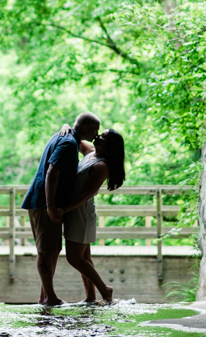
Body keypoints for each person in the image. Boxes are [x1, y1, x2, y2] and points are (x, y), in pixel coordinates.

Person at [20, 112, 101, 306]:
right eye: (96, 130)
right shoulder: (67, 144)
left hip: (50, 203)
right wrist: (50, 207)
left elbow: (91, 150)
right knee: (45, 251)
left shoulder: (68, 137)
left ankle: (45, 296)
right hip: (44, 203)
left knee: (52, 250)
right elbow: (51, 173)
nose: (97, 135)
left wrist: (66, 125)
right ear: (87, 128)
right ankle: (49, 297)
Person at [57, 125, 125, 304]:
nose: (97, 136)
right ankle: (90, 297)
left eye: (102, 136)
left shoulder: (102, 166)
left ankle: (105, 289)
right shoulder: (90, 153)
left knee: (74, 258)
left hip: (82, 214)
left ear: (109, 144)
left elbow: (86, 194)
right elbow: (77, 140)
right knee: (85, 258)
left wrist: (64, 209)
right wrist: (67, 126)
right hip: (76, 212)